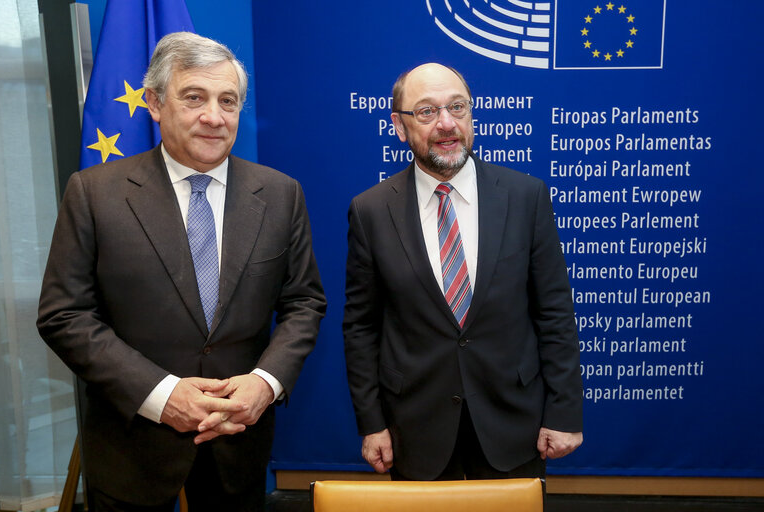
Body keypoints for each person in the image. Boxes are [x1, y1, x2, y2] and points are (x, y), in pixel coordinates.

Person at [37, 32, 326, 511]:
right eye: (194, 98)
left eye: (227, 101)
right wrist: (161, 394)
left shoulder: (280, 194)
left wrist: (265, 383)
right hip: (133, 450)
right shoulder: (94, 193)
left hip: (240, 443)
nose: (214, 117)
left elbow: (304, 302)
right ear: (153, 103)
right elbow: (64, 315)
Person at [343, 63, 583, 481]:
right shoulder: (371, 211)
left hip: (514, 422)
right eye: (426, 112)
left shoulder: (526, 197)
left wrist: (564, 412)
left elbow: (555, 313)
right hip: (414, 429)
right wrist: (372, 422)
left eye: (457, 107)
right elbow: (361, 327)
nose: (447, 124)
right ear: (399, 126)